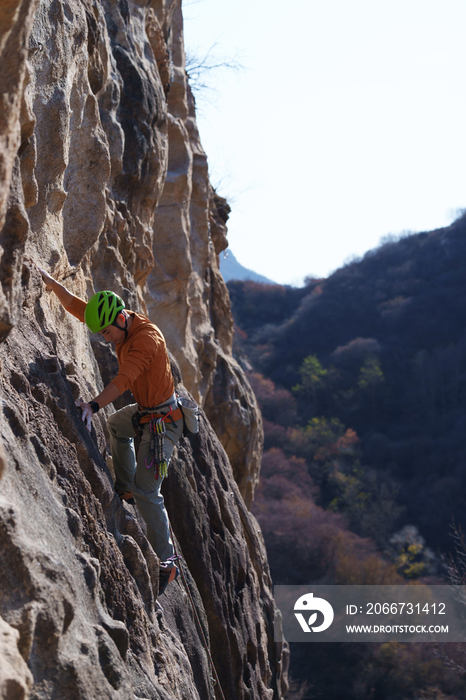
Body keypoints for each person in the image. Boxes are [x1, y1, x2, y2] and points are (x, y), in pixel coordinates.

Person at [37, 266, 183, 568]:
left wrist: (92, 405)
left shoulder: (145, 340)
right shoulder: (120, 318)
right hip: (146, 410)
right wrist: (53, 285)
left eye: (106, 333)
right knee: (117, 425)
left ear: (120, 320)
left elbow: (124, 379)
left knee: (149, 493)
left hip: (164, 420)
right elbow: (81, 308)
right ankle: (125, 484)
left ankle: (168, 562)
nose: (105, 339)